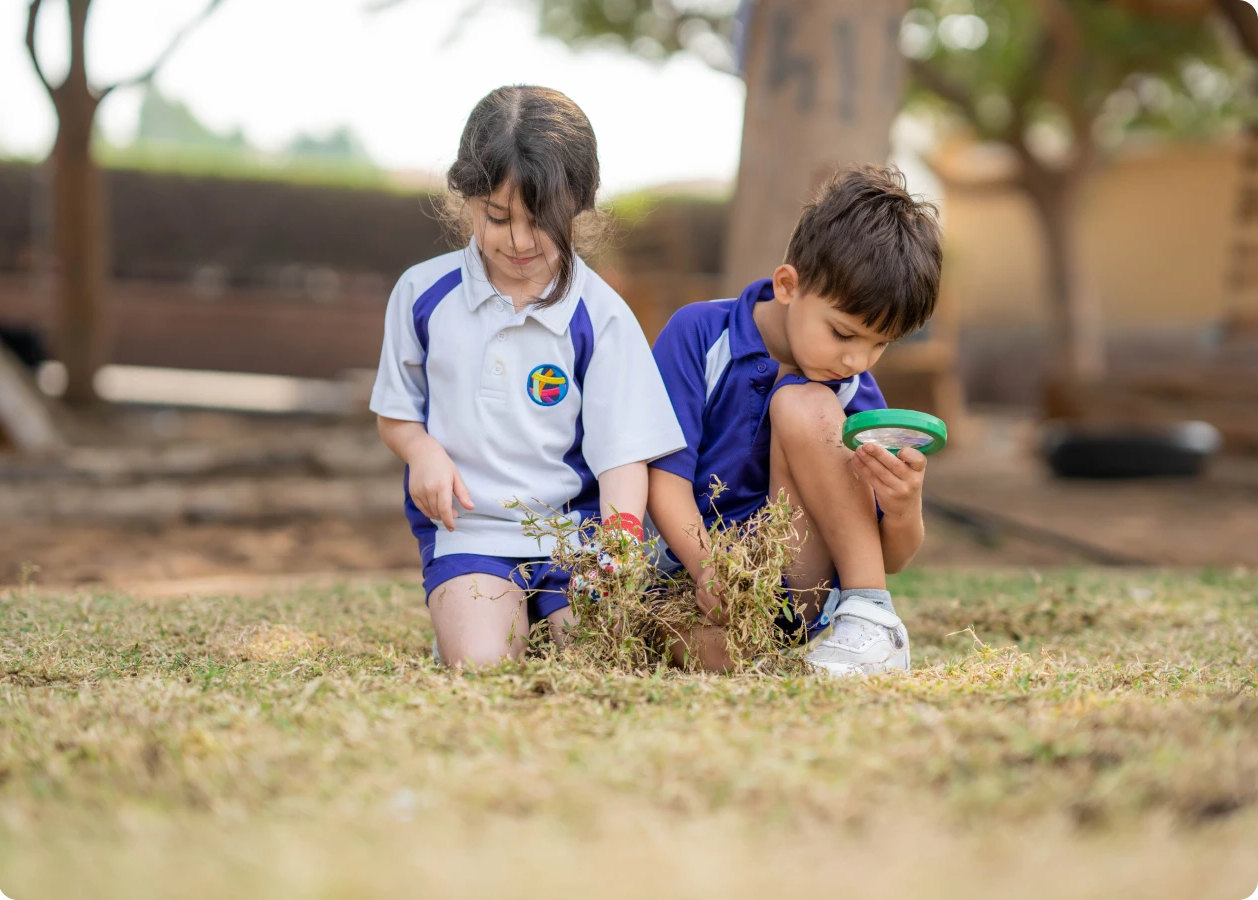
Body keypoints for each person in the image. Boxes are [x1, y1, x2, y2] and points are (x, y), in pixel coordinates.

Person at [371, 86, 685, 668]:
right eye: (498, 217)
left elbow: (623, 454)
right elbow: (397, 414)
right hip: (472, 533)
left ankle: (532, 616)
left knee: (597, 660)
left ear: (579, 209)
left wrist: (618, 543)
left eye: (541, 222)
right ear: (466, 199)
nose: (517, 240)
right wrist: (422, 452)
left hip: (578, 538)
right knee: (483, 666)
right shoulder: (421, 294)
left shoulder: (603, 315)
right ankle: (481, 618)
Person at [647, 164, 942, 676]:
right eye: (843, 333)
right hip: (690, 582)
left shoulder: (849, 390)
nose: (856, 360)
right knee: (700, 651)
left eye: (880, 345)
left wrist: (903, 508)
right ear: (787, 285)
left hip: (792, 591)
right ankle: (777, 660)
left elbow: (889, 557)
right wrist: (707, 566)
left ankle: (873, 621)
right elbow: (663, 479)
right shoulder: (700, 334)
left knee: (803, 403)